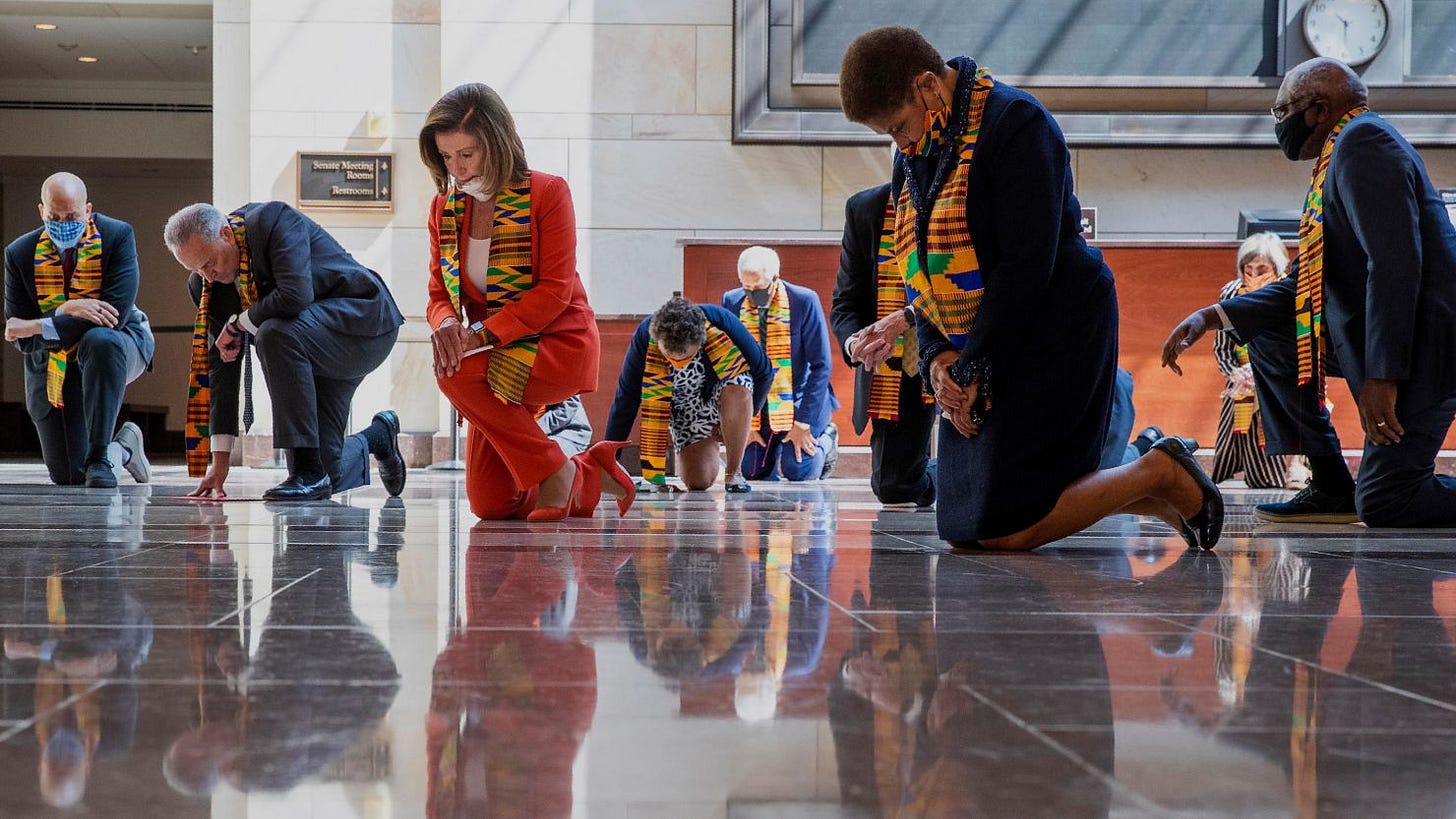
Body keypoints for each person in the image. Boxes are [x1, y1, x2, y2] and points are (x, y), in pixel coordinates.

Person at [838, 26, 1222, 550]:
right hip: (977, 335)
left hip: (1053, 323)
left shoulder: (1016, 123)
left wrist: (972, 364)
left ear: (927, 86)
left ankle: (1158, 471)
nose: (899, 142)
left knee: (1005, 528)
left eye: (898, 125)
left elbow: (1026, 265)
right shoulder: (919, 148)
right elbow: (920, 265)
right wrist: (936, 357)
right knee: (960, 524)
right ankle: (1161, 496)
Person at [1162, 58, 1456, 527]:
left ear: (1317, 110)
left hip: (1425, 353)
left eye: (1281, 112)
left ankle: (1353, 490)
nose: (1279, 125)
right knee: (1268, 333)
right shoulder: (1343, 151)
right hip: (1406, 346)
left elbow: (1397, 263)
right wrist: (1214, 316)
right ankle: (1331, 486)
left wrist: (1382, 375)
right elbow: (1307, 283)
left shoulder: (1365, 143)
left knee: (1387, 502)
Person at [419, 82, 632, 521]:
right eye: (446, 156)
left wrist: (475, 337)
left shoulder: (548, 193)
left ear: (497, 144)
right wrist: (445, 327)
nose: (456, 169)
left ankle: (557, 474)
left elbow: (554, 291)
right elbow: (439, 294)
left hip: (557, 343)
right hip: (491, 354)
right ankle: (585, 474)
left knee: (453, 372)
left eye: (467, 154)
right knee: (493, 504)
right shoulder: (444, 208)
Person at [165, 201, 407, 501]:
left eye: (208, 262)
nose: (208, 276)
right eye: (196, 269)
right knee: (329, 474)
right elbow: (222, 365)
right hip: (306, 351)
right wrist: (220, 462)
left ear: (226, 234)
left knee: (275, 331)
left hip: (362, 325)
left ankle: (306, 471)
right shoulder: (206, 285)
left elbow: (295, 296)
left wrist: (239, 323)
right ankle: (379, 436)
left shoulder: (272, 221)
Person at [4, 172, 153, 488]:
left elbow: (114, 315)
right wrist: (65, 309)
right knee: (69, 475)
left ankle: (101, 455)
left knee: (99, 339)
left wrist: (37, 324)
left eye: (71, 216)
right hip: (53, 363)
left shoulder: (117, 236)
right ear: (41, 211)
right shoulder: (18, 254)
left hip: (120, 343)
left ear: (87, 211)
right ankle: (124, 447)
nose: (62, 223)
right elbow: (23, 342)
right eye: (54, 216)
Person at [831, 184, 937, 508]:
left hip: (964, 348)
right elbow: (846, 302)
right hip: (899, 362)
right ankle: (939, 476)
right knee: (894, 487)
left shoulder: (965, 195)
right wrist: (855, 344)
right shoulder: (867, 209)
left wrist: (906, 316)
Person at [604, 296, 772, 493]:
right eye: (671, 358)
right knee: (698, 481)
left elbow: (764, 372)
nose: (678, 365)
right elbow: (626, 398)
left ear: (701, 342)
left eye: (685, 359)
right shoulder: (644, 336)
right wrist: (608, 462)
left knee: (739, 383)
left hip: (723, 394)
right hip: (684, 405)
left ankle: (734, 473)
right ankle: (709, 452)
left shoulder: (721, 321)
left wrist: (744, 419)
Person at [724, 245, 839, 482]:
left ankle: (827, 438)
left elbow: (821, 365)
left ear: (776, 278)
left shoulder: (803, 301)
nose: (752, 295)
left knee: (798, 470)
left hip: (800, 400)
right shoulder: (732, 302)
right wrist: (745, 424)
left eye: (759, 288)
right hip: (759, 405)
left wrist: (803, 423)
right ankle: (773, 442)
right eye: (747, 288)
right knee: (752, 471)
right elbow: (730, 366)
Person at [1210, 233, 1294, 489]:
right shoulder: (1231, 293)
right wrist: (1236, 373)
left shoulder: (1288, 293)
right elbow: (1222, 346)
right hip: (1241, 381)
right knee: (1229, 442)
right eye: (1249, 269)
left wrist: (1262, 370)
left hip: (1280, 377)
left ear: (1277, 269)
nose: (1255, 275)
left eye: (1262, 269)